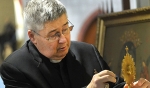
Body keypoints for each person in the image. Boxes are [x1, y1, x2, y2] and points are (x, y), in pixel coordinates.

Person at [0, 0, 149, 88]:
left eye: (65, 29)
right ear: (32, 36)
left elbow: (113, 85)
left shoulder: (88, 51)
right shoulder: (15, 68)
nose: (63, 39)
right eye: (53, 35)